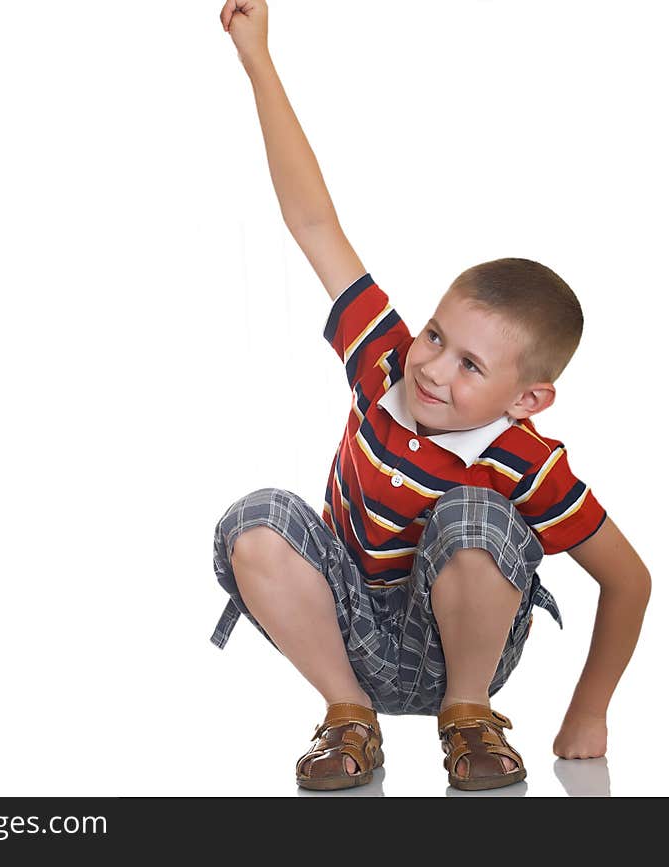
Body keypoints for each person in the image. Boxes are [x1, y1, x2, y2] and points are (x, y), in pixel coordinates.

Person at [211, 0, 651, 792]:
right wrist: (258, 62)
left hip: (459, 649)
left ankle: (470, 721)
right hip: (348, 633)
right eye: (438, 335)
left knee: (476, 515)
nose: (435, 369)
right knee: (255, 520)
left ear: (529, 400)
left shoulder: (526, 461)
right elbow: (314, 222)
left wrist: (591, 706)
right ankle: (348, 717)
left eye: (473, 366)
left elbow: (630, 578)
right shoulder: (383, 360)